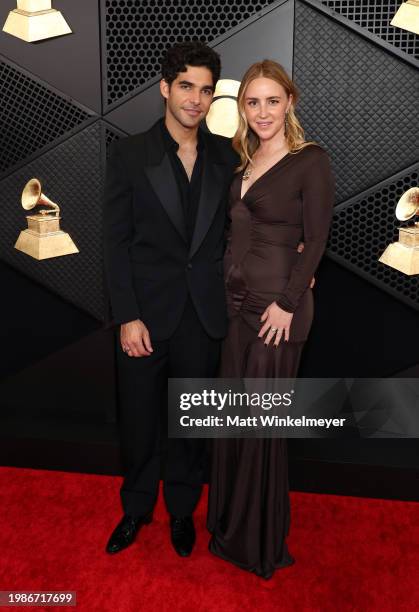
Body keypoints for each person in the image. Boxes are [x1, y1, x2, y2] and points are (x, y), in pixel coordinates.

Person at [103, 41, 238, 558]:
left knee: (190, 422)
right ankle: (136, 509)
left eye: (206, 90)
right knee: (138, 419)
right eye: (186, 86)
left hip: (202, 316)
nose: (196, 100)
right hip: (145, 316)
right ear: (165, 88)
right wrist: (127, 315)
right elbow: (115, 241)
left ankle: (182, 511)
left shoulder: (226, 157)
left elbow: (242, 227)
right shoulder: (130, 153)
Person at [207, 60, 335, 579]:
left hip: (277, 312)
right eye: (252, 102)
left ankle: (254, 542)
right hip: (236, 308)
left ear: (290, 103)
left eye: (272, 101)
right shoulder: (243, 164)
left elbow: (318, 237)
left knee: (261, 426)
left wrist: (288, 300)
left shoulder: (310, 161)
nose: (262, 112)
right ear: (243, 108)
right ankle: (229, 525)